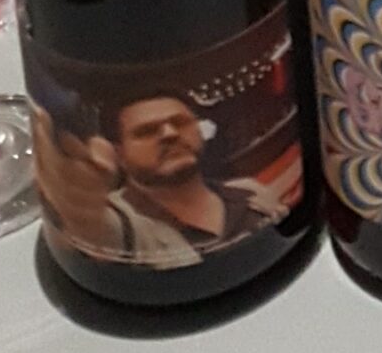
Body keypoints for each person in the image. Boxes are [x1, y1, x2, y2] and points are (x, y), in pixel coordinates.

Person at [31, 89, 294, 268]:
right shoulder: (124, 219)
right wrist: (80, 205)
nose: (170, 134)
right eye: (147, 131)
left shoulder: (251, 194)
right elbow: (93, 227)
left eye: (180, 122)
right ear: (119, 153)